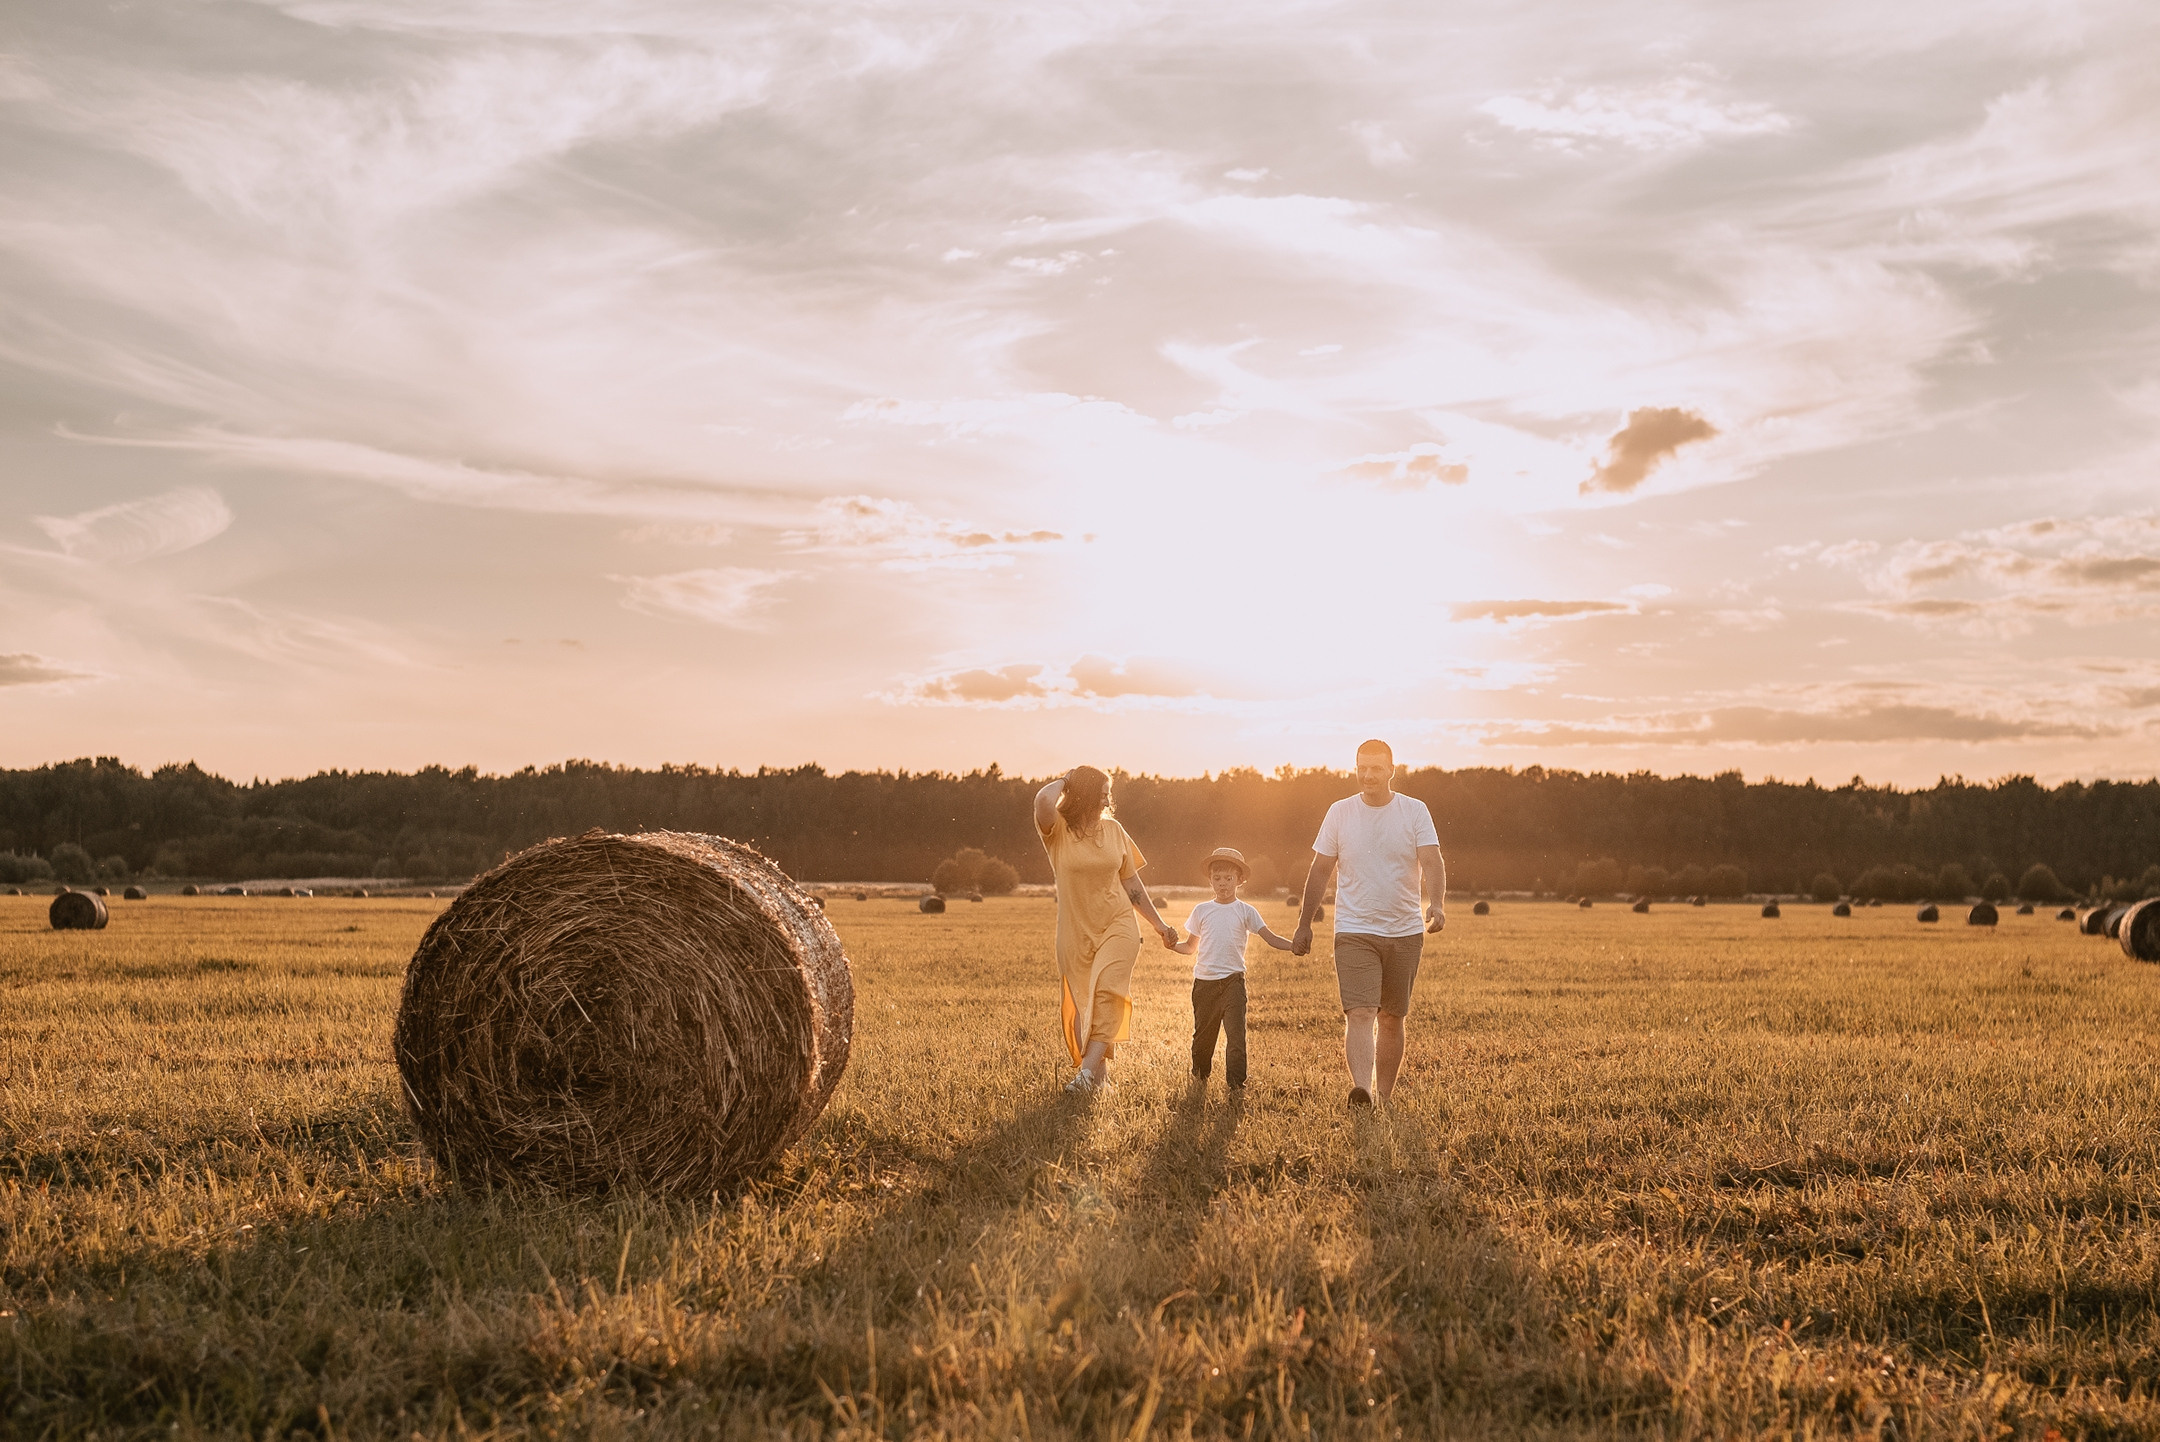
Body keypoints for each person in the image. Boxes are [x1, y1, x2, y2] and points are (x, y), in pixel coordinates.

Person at [1290, 739, 1445, 1108]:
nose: (1368, 775)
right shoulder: (1340, 813)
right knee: (1359, 1012)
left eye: (1376, 768)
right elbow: (1321, 869)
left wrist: (1436, 904)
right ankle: (1362, 1091)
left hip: (1404, 931)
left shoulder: (1414, 811)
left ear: (1391, 770)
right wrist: (1304, 923)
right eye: (1362, 767)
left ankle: (1385, 1098)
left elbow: (1433, 861)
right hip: (1354, 929)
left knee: (1392, 1017)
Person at [1034, 766, 1177, 1094]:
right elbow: (1043, 799)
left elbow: (1131, 883)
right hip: (1075, 933)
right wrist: (1068, 779)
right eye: (1099, 795)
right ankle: (1100, 1081)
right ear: (1081, 795)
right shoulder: (1057, 831)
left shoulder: (1115, 831)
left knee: (1108, 993)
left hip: (1118, 925)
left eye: (1107, 795)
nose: (1106, 801)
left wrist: (1158, 924)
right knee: (1087, 1005)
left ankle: (1085, 1077)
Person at [1171, 846, 1294, 1093]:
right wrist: (1171, 944)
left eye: (1229, 879)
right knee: (1203, 1038)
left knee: (1236, 1038)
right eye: (1217, 879)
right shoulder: (1201, 911)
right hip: (1204, 984)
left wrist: (1295, 946)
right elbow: (1189, 948)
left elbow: (1270, 938)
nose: (1223, 884)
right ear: (1210, 880)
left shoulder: (1246, 911)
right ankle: (1200, 1078)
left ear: (1240, 880)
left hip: (1233, 983)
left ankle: (1236, 1085)